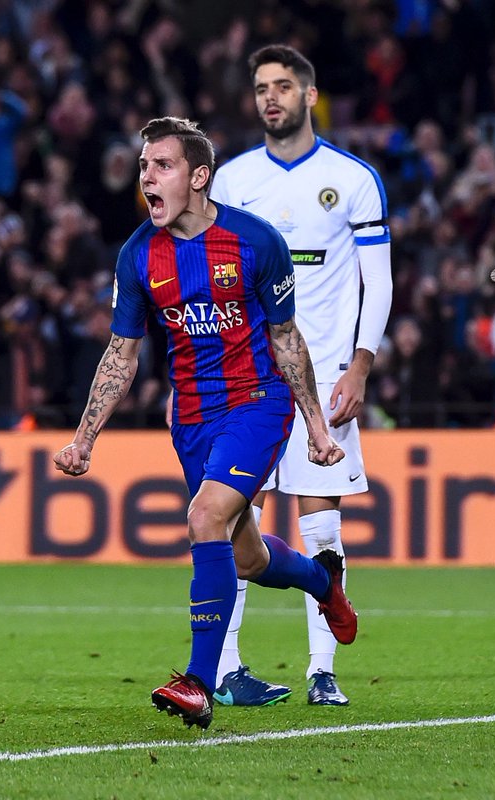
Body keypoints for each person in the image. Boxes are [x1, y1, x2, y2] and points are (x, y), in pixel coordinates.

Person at [53, 116, 357, 731]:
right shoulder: (138, 254)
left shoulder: (255, 242)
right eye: (144, 166)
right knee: (245, 557)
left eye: (161, 166)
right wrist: (84, 438)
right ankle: (322, 581)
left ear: (198, 177)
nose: (147, 177)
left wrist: (318, 429)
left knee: (203, 518)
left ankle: (199, 682)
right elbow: (122, 354)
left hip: (256, 404)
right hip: (191, 418)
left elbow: (286, 340)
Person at [208, 44, 393, 707]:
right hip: (249, 379)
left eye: (284, 86)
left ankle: (322, 673)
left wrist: (361, 364)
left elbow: (378, 281)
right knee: (234, 521)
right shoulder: (232, 182)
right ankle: (226, 668)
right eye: (262, 87)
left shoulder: (352, 178)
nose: (271, 97)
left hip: (326, 376)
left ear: (310, 95)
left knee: (321, 525)